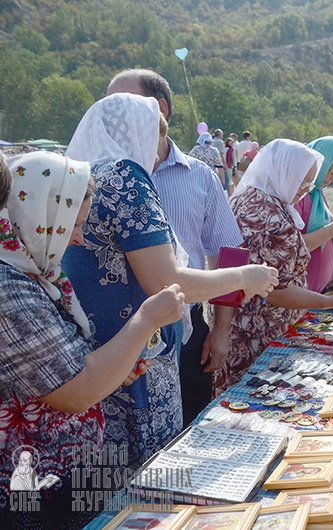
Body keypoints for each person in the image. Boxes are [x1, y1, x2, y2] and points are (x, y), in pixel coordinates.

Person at [63, 93, 278, 470]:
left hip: (92, 357)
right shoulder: (125, 176)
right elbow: (166, 280)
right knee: (147, 480)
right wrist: (246, 276)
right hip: (135, 356)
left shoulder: (78, 174)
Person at [0, 152, 185, 527]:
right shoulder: (10, 289)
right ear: (36, 217)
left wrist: (116, 365)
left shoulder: (32, 274)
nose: (80, 239)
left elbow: (59, 365)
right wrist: (147, 318)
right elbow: (74, 391)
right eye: (73, 225)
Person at [107, 69, 247, 427]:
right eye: (107, 104)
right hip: (113, 334)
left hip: (186, 327)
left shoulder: (199, 175)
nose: (112, 113)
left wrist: (220, 330)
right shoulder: (97, 175)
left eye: (125, 103)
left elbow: (229, 252)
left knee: (190, 427)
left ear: (161, 110)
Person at [214, 139, 333, 395]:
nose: (306, 189)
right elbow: (276, 291)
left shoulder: (256, 196)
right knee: (254, 400)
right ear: (284, 172)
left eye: (310, 182)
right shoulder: (267, 214)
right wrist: (330, 302)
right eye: (302, 181)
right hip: (258, 329)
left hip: (244, 324)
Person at [295, 136, 333, 293]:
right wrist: (332, 230)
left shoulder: (317, 194)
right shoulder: (298, 195)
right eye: (332, 172)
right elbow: (292, 246)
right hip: (301, 295)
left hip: (317, 294)